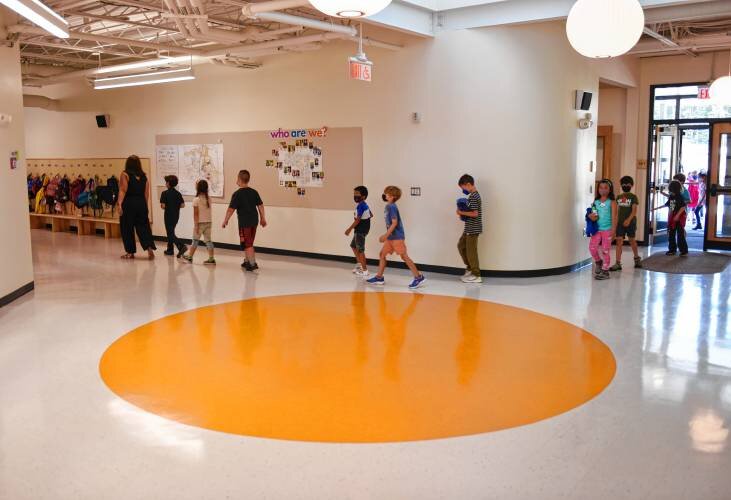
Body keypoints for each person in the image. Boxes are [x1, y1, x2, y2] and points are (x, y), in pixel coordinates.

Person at [366, 186, 426, 289]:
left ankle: (418, 277)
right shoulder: (388, 206)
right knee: (382, 254)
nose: (384, 195)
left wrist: (385, 236)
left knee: (404, 256)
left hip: (397, 237)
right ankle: (379, 277)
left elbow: (394, 223)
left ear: (392, 196)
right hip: (391, 238)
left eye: (386, 194)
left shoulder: (392, 207)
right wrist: (388, 236)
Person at [222, 169, 266, 271]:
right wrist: (263, 218)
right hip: (254, 221)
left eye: (237, 178)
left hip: (244, 222)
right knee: (249, 242)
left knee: (247, 243)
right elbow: (260, 206)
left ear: (239, 179)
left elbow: (230, 209)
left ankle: (252, 263)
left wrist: (225, 220)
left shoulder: (237, 194)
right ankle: (247, 260)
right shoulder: (254, 192)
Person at [118, 155, 156, 259]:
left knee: (127, 228)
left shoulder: (125, 174)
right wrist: (145, 206)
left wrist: (120, 204)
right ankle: (149, 248)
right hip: (141, 203)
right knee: (144, 227)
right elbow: (146, 194)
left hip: (129, 203)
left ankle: (130, 252)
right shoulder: (144, 177)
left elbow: (123, 190)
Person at [455, 174, 483, 284]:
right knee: (461, 246)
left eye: (463, 188)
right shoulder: (471, 196)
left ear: (468, 184)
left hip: (473, 228)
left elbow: (475, 214)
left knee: (471, 251)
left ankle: (476, 274)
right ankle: (470, 268)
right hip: (468, 227)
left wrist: (461, 212)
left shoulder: (474, 196)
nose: (463, 190)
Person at [610, 176, 642, 271]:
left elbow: (634, 210)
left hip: (630, 222)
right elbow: (617, 211)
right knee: (619, 241)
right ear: (621, 185)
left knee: (632, 240)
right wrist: (614, 222)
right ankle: (618, 263)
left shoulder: (633, 197)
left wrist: (628, 220)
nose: (625, 186)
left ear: (631, 185)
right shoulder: (619, 197)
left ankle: (636, 258)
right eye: (623, 184)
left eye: (627, 184)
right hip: (620, 223)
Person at [588, 179, 617, 280]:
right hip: (597, 230)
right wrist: (591, 216)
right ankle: (598, 262)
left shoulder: (612, 202)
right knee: (592, 248)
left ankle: (605, 271)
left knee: (605, 250)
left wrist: (613, 231)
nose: (603, 190)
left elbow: (614, 217)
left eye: (606, 188)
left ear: (610, 189)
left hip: (607, 230)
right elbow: (595, 217)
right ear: (598, 189)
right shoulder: (595, 202)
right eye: (601, 187)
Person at [181, 180, 216, 265]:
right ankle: (211, 259)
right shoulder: (209, 199)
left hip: (199, 223)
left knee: (195, 240)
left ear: (198, 188)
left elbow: (196, 214)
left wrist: (196, 225)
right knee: (208, 241)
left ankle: (190, 257)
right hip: (208, 222)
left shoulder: (196, 200)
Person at [344, 185, 372, 277]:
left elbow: (357, 220)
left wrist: (349, 229)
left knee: (360, 250)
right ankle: (360, 265)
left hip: (360, 230)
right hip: (362, 230)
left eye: (357, 194)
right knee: (353, 246)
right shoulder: (364, 205)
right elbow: (371, 215)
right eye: (354, 194)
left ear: (363, 196)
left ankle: (365, 270)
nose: (355, 196)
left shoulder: (361, 206)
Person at [159, 175, 187, 257]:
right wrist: (175, 206)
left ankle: (181, 246)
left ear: (168, 183)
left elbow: (163, 206)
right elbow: (183, 205)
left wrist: (167, 206)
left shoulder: (164, 193)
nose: (165, 184)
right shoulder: (178, 194)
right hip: (176, 216)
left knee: (170, 233)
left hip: (168, 215)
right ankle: (170, 250)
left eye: (166, 182)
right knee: (171, 231)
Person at [662, 180, 689, 256]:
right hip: (673, 216)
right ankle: (672, 249)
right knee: (671, 233)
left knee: (680, 234)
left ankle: (684, 250)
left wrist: (677, 216)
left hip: (680, 218)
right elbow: (670, 206)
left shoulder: (679, 196)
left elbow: (683, 207)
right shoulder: (671, 197)